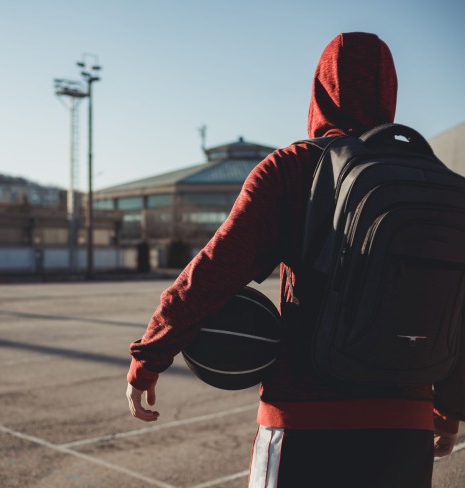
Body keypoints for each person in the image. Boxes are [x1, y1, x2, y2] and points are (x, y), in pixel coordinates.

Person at [125, 32, 463, 487]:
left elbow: (214, 270)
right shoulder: (433, 182)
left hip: (305, 419)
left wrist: (151, 354)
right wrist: (447, 405)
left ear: (321, 91)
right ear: (390, 91)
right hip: (405, 422)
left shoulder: (292, 169)